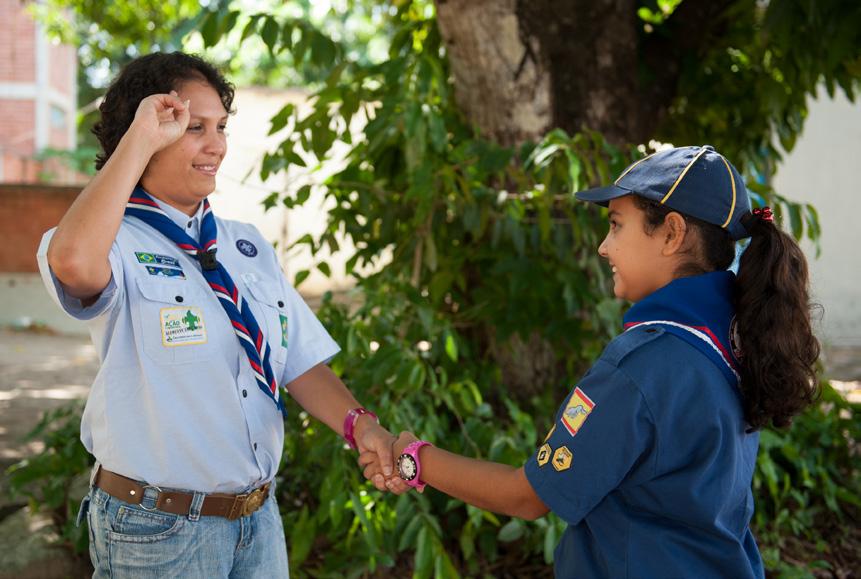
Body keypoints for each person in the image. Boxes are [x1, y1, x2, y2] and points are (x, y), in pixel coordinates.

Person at [360, 145, 821, 578]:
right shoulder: (737, 343)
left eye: (617, 225)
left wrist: (413, 459)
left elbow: (526, 497)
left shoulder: (642, 366)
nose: (604, 246)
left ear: (672, 233)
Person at [37, 52, 397, 578]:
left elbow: (297, 361)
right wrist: (136, 142)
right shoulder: (109, 241)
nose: (217, 146)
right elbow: (71, 263)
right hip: (157, 529)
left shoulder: (244, 246)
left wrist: (361, 426)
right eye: (191, 127)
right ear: (143, 132)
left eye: (221, 127)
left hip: (257, 520)